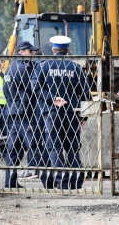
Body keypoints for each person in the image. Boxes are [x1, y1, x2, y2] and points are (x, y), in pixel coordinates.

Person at [31, 35, 91, 189]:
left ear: (53, 50)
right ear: (68, 51)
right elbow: (86, 94)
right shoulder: (75, 68)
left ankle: (61, 182)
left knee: (54, 147)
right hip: (72, 113)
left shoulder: (44, 66)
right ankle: (76, 182)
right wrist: (83, 117)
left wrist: (52, 99)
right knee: (72, 147)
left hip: (51, 113)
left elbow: (35, 88)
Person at [3, 41, 44, 188]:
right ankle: (50, 183)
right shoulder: (23, 68)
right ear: (21, 51)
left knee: (13, 150)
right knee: (35, 146)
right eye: (30, 52)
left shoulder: (10, 68)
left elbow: (5, 91)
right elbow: (32, 88)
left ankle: (10, 181)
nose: (32, 54)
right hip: (25, 112)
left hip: (12, 112)